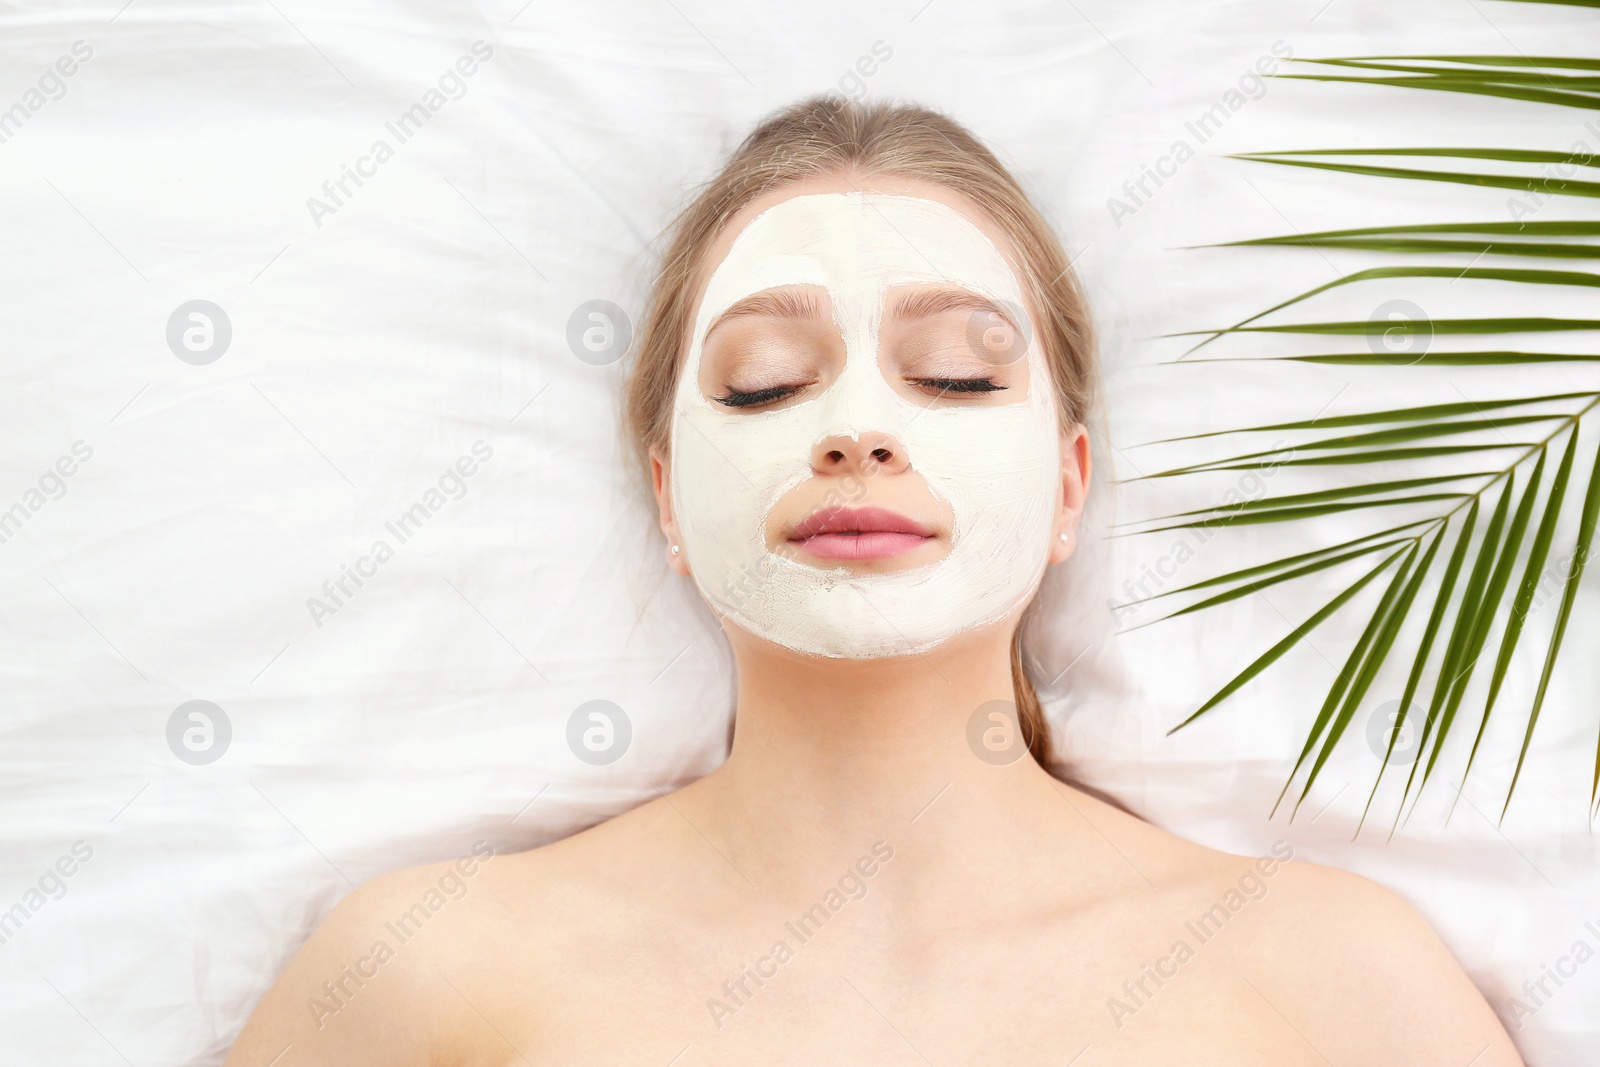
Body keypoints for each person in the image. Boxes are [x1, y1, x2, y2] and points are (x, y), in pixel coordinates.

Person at [224, 96, 1524, 1066]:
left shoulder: (1335, 983)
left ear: (1070, 487)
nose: (858, 430)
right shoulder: (418, 976)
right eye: (766, 382)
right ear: (670, 496)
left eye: (957, 375)